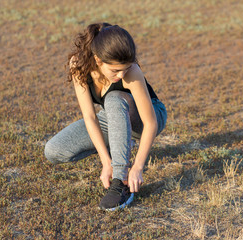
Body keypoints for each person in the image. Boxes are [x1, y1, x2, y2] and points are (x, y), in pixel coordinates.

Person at [44, 23, 167, 211]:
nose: (122, 74)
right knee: (54, 150)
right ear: (98, 60)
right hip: (113, 118)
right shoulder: (78, 65)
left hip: (148, 118)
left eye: (125, 69)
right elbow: (90, 117)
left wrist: (137, 168)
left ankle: (121, 182)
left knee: (114, 98)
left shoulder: (132, 71)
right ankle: (119, 149)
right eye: (116, 70)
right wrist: (105, 161)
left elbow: (150, 123)